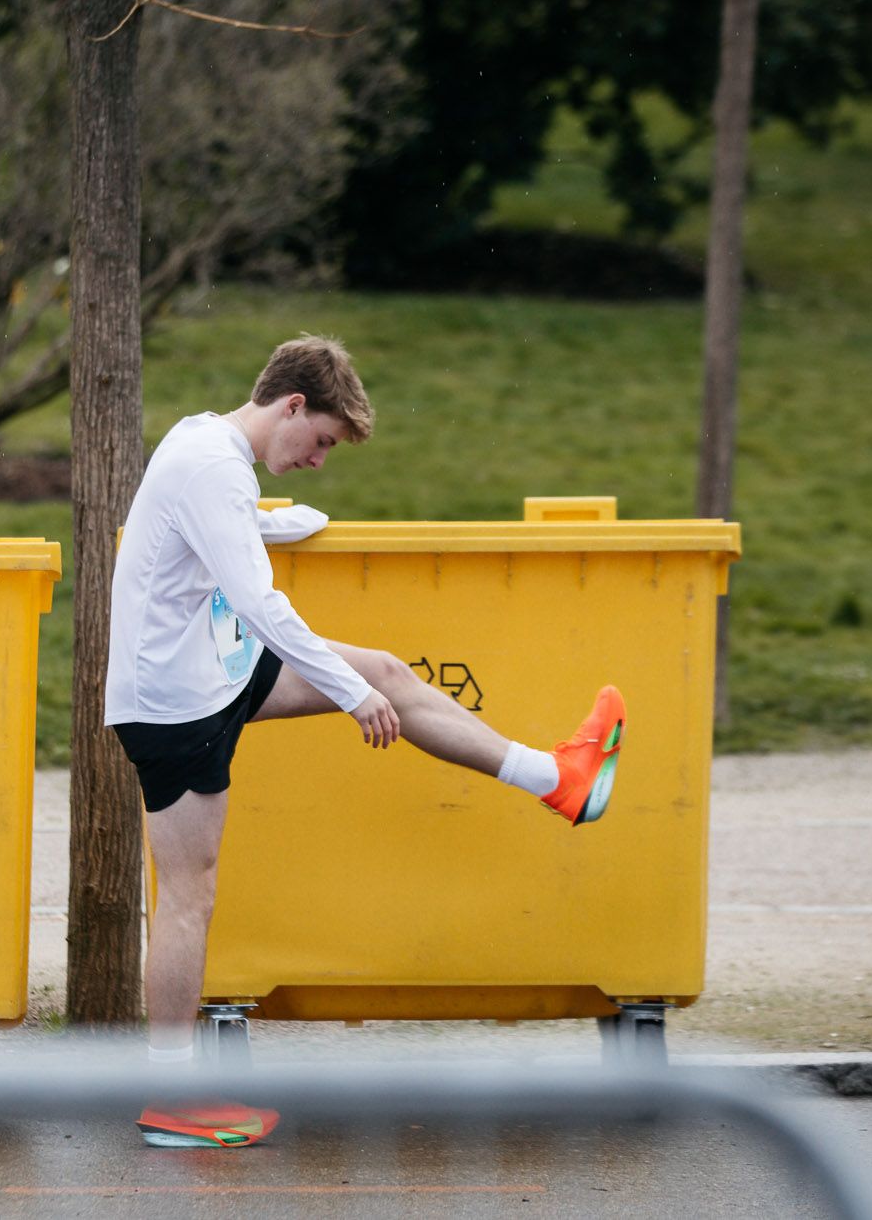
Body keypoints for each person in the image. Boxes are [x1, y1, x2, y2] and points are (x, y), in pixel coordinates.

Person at [105, 335, 625, 1149]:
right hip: (178, 702)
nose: (318, 460)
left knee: (392, 670)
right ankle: (171, 1097)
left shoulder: (206, 443)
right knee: (189, 893)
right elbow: (263, 605)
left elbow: (187, 535)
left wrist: (269, 524)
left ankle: (560, 778)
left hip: (211, 666)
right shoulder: (214, 464)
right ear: (292, 406)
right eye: (320, 442)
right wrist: (350, 697)